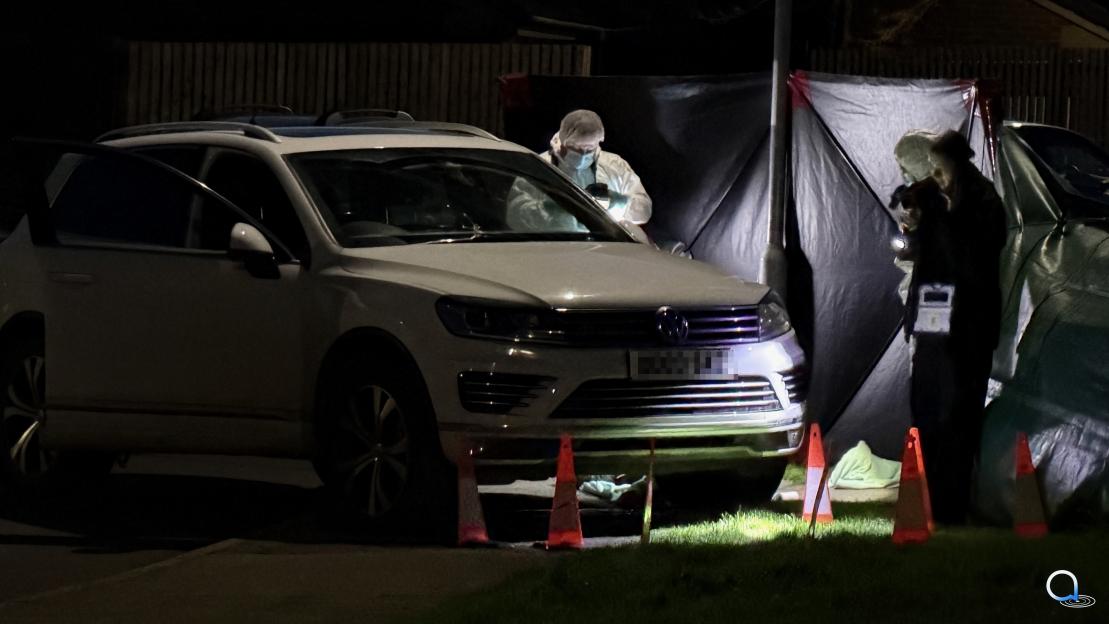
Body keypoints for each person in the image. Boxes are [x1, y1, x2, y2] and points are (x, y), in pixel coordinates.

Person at [895, 130, 1007, 524]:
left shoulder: (984, 203)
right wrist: (915, 227)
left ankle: (951, 505)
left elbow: (971, 261)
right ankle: (925, 497)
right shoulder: (942, 202)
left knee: (957, 416)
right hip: (933, 327)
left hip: (967, 331)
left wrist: (941, 216)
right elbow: (925, 255)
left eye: (941, 172)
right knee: (925, 409)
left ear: (958, 165)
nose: (936, 179)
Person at [508, 110, 652, 229]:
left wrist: (618, 202)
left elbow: (644, 210)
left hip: (605, 249)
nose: (583, 155)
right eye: (576, 148)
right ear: (563, 141)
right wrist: (549, 210)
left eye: (589, 149)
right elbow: (514, 213)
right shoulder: (539, 166)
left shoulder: (614, 166)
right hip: (554, 248)